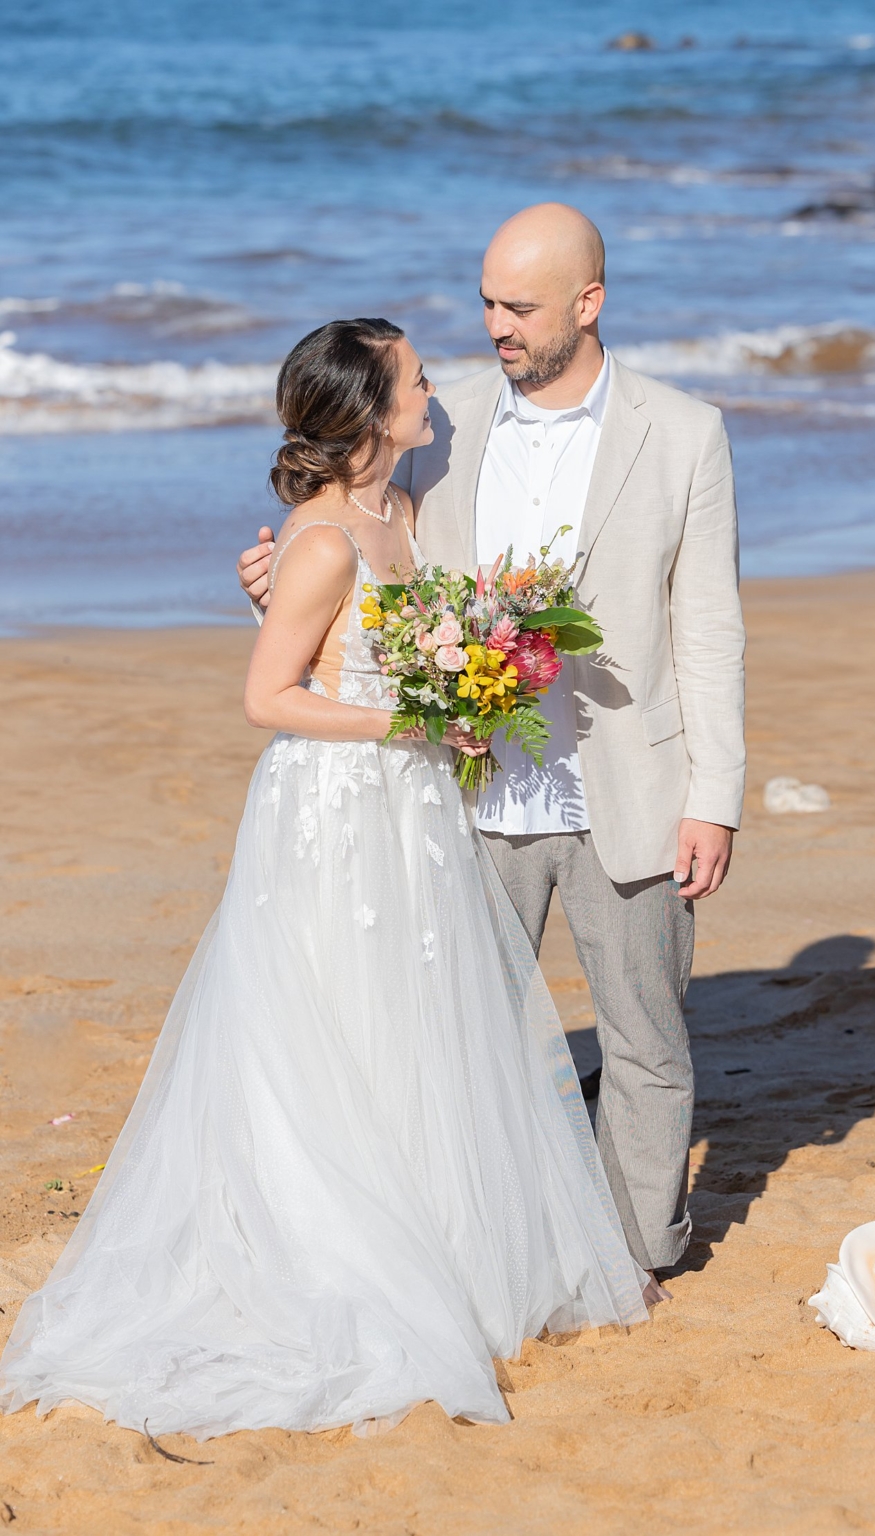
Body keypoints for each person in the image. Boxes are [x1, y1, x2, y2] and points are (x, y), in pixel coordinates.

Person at [0, 319, 649, 1442]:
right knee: (332, 1021)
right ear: (371, 411)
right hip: (334, 810)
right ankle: (334, 1256)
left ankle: (442, 1244)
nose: (434, 388)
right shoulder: (320, 543)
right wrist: (411, 714)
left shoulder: (399, 510)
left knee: (418, 1021)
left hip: (410, 807)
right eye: (416, 378)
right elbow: (269, 695)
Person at [239, 205, 746, 1295]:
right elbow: (359, 575)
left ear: (587, 305)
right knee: (463, 1042)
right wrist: (270, 586)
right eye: (485, 302)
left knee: (647, 1043)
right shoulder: (447, 421)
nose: (495, 326)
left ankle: (636, 1256)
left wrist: (716, 796)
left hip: (632, 786)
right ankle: (507, 1251)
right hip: (464, 796)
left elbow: (708, 626)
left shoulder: (686, 432)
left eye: (518, 308)